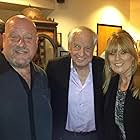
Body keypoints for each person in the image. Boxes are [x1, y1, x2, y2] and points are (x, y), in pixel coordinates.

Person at [46, 26, 104, 140]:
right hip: (65, 136)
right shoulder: (54, 68)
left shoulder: (104, 68)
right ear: (69, 47)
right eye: (77, 46)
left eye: (87, 48)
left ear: (94, 49)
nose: (81, 53)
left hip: (96, 136)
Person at [0, 15, 52, 140]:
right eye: (14, 37)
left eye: (28, 38)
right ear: (3, 39)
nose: (21, 43)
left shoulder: (42, 75)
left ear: (36, 41)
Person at [103, 30, 140, 140]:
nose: (117, 58)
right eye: (112, 53)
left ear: (133, 55)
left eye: (123, 52)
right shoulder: (111, 83)